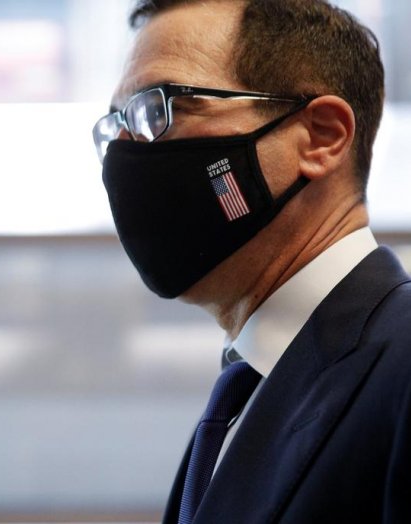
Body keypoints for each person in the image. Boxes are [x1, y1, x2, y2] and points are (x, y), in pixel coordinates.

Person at [93, 0, 411, 522]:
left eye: (159, 109)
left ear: (321, 137)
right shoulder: (246, 389)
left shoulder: (399, 367)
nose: (125, 153)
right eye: (119, 122)